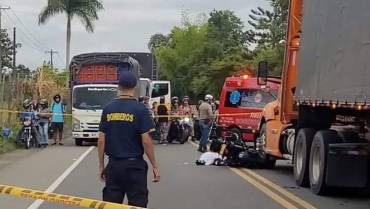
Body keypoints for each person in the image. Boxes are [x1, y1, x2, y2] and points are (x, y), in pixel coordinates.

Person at [98, 70, 160, 208]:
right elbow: (146, 141)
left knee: (111, 205)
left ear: (118, 86)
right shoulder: (140, 109)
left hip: (113, 166)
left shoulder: (108, 109)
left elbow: (101, 141)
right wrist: (154, 165)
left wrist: (102, 166)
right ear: (135, 87)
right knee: (138, 203)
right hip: (134, 167)